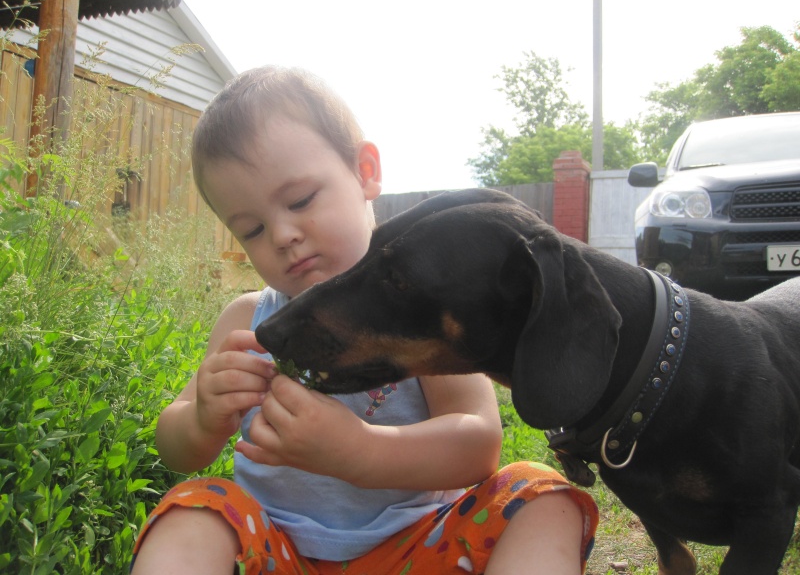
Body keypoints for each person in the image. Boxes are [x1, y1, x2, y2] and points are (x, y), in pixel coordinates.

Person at [130, 65, 598, 575]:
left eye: (301, 200)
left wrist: (360, 451)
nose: (283, 235)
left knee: (542, 499)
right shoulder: (248, 320)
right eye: (253, 229)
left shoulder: (414, 310)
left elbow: (479, 442)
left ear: (365, 171)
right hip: (276, 549)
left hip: (420, 549)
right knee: (193, 510)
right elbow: (175, 448)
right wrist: (202, 417)